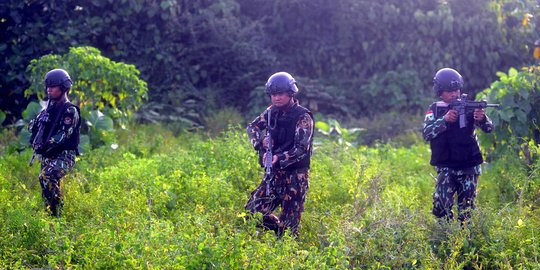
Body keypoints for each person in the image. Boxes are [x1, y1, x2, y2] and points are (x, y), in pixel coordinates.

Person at [245, 72, 314, 237]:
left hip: (295, 177)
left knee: (288, 230)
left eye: (280, 94)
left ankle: (286, 245)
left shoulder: (302, 116)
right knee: (252, 211)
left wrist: (279, 157)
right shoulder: (271, 112)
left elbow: (301, 148)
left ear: (290, 93)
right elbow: (252, 128)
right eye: (273, 94)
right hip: (274, 175)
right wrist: (260, 142)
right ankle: (277, 233)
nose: (276, 98)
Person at [423, 68, 494, 224]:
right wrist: (444, 120)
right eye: (449, 91)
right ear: (440, 91)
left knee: (467, 210)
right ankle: (446, 239)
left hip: (469, 165)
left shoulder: (469, 106)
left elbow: (489, 128)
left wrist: (481, 119)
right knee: (441, 206)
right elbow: (427, 133)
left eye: (456, 90)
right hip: (446, 165)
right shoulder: (435, 109)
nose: (454, 93)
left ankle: (465, 243)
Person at [29, 68, 81, 217]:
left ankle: (57, 215)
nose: (49, 90)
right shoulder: (48, 110)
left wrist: (46, 143)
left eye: (53, 86)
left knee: (46, 176)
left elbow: (63, 135)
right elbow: (34, 129)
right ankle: (51, 217)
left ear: (63, 88)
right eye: (47, 87)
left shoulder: (70, 111)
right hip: (48, 155)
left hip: (65, 155)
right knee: (47, 188)